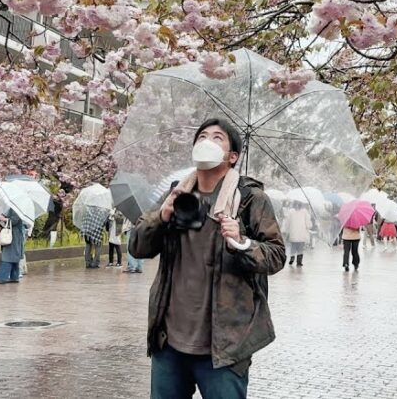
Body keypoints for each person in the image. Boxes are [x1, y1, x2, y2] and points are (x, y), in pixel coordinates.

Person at [129, 118, 285, 399]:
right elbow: (137, 247)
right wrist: (161, 217)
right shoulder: (177, 194)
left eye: (217, 138)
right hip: (169, 341)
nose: (207, 142)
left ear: (232, 156)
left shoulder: (251, 199)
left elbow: (276, 255)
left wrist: (243, 242)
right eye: (202, 136)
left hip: (224, 347)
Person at [0, 210, 25, 284]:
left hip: (13, 236)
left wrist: (3, 219)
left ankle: (2, 277)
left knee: (7, 257)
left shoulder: (16, 208)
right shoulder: (14, 207)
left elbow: (14, 220)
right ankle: (14, 276)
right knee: (14, 257)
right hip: (15, 235)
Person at [283, 201, 311, 267]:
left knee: (293, 247)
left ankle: (292, 258)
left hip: (293, 233)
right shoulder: (305, 212)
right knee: (300, 248)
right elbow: (308, 224)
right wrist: (309, 226)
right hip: (302, 233)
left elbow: (287, 223)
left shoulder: (290, 212)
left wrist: (286, 230)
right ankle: (299, 261)